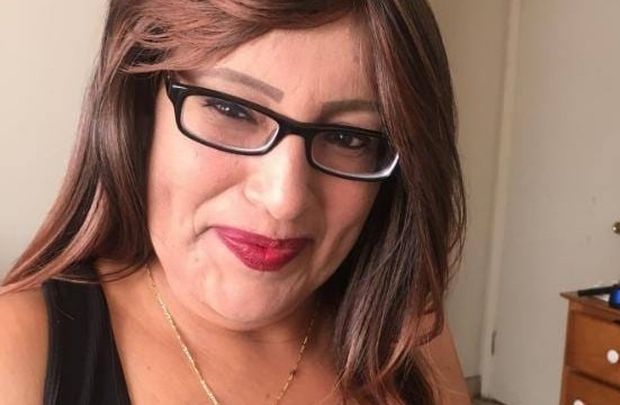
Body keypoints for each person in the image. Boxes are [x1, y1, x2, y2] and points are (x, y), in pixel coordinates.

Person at [0, 0, 469, 404]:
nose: (284, 199)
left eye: (349, 138)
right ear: (137, 111)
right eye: (232, 110)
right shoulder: (18, 354)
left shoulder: (412, 341)